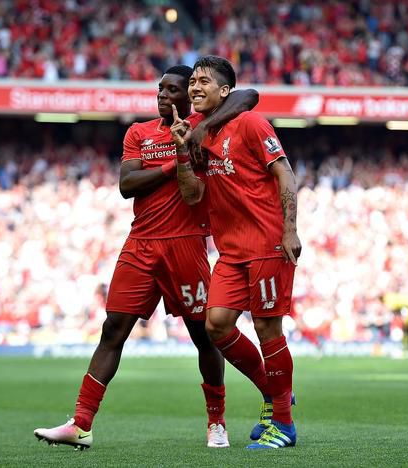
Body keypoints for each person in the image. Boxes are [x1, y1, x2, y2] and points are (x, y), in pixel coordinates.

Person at [33, 65, 259, 450]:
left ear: (189, 97)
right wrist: (176, 158)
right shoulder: (139, 132)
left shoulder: (204, 129)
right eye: (160, 89)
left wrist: (198, 130)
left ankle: (217, 422)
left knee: (205, 338)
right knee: (112, 332)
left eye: (173, 90)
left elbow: (248, 96)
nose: (162, 96)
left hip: (186, 245)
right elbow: (126, 185)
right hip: (140, 244)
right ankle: (82, 423)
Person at [171, 55, 301, 449]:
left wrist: (290, 228)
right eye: (192, 81)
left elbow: (284, 171)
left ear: (224, 91)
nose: (194, 87)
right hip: (230, 251)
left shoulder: (250, 123)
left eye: (204, 81)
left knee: (267, 329)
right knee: (217, 325)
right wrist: (181, 152)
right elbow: (193, 196)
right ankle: (275, 393)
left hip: (266, 243)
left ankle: (283, 424)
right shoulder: (196, 133)